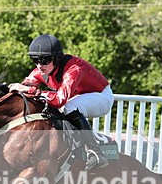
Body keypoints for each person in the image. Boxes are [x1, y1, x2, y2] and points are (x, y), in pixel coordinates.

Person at [8, 34, 114, 171]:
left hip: (101, 96)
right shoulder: (41, 70)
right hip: (78, 96)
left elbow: (59, 100)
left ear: (56, 58)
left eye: (45, 60)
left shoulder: (74, 69)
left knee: (69, 107)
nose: (40, 65)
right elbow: (24, 87)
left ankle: (95, 153)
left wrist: (31, 90)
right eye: (35, 60)